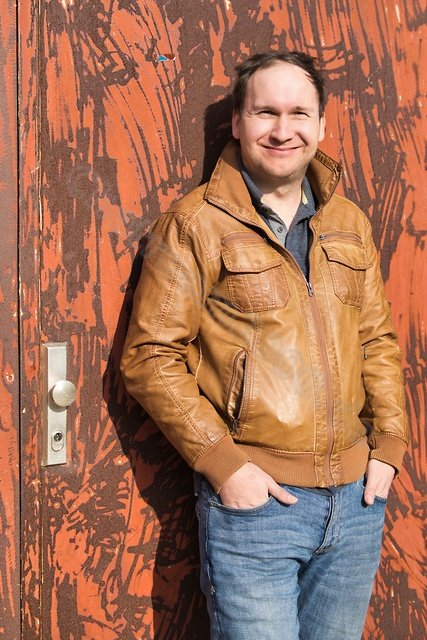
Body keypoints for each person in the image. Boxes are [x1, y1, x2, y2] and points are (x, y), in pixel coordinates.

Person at [121, 51, 408, 640]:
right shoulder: (196, 223)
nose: (283, 130)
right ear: (237, 122)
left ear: (321, 125)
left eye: (298, 113)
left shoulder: (348, 222)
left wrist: (389, 445)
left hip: (356, 505)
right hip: (259, 510)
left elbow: (376, 339)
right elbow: (151, 356)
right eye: (265, 113)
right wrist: (227, 468)